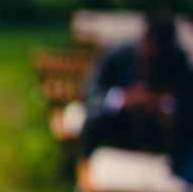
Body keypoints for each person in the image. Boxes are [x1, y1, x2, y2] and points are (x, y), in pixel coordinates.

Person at [80, 16, 193, 180]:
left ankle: (174, 181)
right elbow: (91, 92)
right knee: (94, 118)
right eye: (150, 48)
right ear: (143, 40)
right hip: (117, 121)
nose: (153, 57)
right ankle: (85, 173)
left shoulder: (177, 61)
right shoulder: (118, 53)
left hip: (156, 128)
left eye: (159, 54)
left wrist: (164, 105)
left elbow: (186, 103)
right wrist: (122, 98)